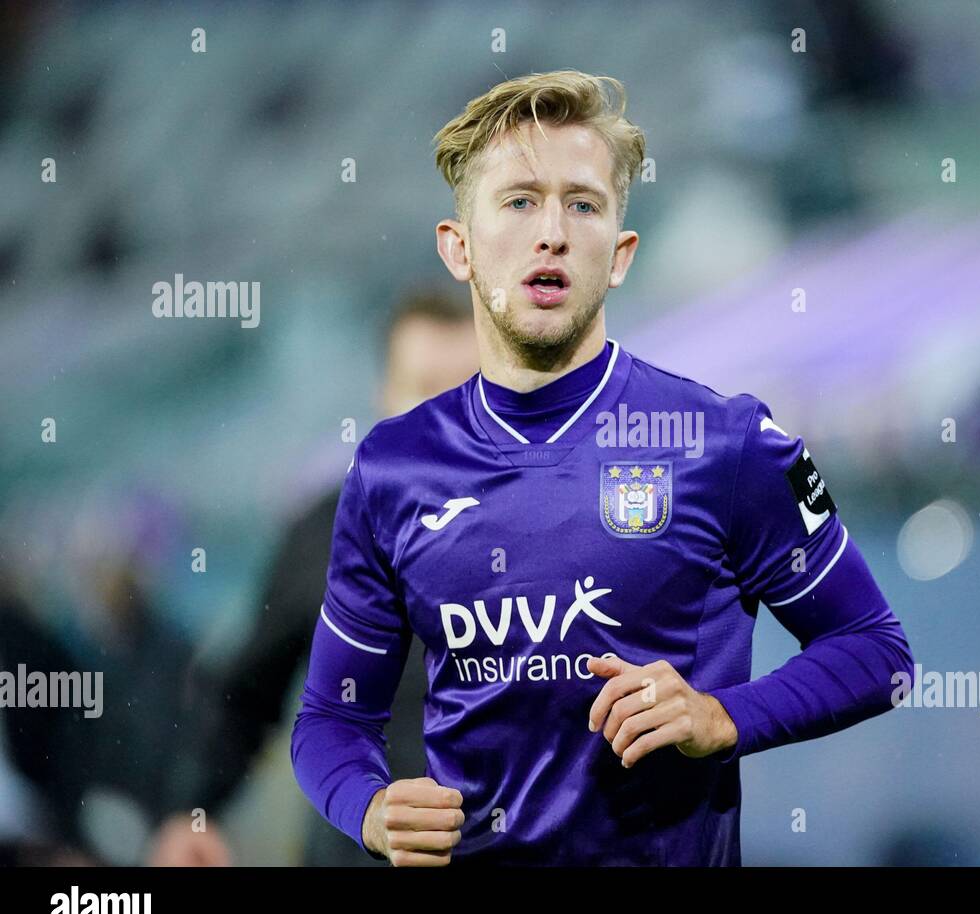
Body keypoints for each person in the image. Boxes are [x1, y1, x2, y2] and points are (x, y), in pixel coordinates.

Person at [291, 70, 914, 867]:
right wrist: (368, 806)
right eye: (518, 202)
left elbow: (875, 652)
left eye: (582, 204)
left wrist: (721, 718)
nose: (551, 232)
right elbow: (333, 720)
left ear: (619, 255)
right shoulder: (391, 469)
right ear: (460, 248)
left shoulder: (722, 444)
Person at [148, 289, 478, 866]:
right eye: (424, 389)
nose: (442, 414)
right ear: (384, 397)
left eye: (466, 389)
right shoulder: (322, 534)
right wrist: (194, 812)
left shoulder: (555, 523)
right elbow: (246, 688)